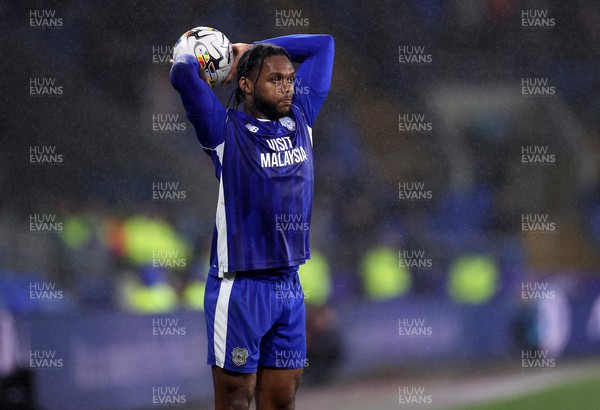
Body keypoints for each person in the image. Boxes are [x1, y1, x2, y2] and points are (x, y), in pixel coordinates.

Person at [170, 33, 334, 410]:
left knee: (280, 403)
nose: (288, 87)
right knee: (235, 402)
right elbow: (181, 71)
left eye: (290, 78)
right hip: (240, 287)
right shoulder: (224, 131)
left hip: (288, 286)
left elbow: (324, 44)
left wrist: (253, 48)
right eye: (275, 80)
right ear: (245, 84)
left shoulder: (302, 118)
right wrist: (225, 59)